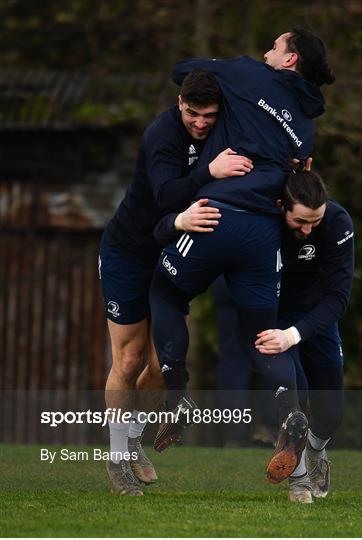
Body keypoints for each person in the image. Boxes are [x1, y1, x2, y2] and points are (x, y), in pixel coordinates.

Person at [149, 28, 335, 484]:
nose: (266, 50)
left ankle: (177, 393)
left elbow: (183, 72)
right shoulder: (307, 127)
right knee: (261, 335)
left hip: (216, 214)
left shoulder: (247, 75)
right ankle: (289, 410)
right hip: (263, 234)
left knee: (165, 293)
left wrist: (225, 85)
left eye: (274, 45)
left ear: (289, 59)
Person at [99, 70, 253, 495]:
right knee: (129, 361)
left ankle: (132, 442)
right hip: (129, 252)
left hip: (170, 254)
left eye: (209, 115)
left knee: (166, 363)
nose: (201, 123)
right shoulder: (161, 136)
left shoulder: (226, 127)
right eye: (192, 114)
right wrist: (210, 170)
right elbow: (168, 196)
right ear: (180, 104)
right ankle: (116, 461)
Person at [255, 169, 355, 503]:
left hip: (317, 319)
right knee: (292, 406)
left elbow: (339, 298)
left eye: (316, 221)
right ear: (282, 206)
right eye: (300, 221)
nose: (308, 229)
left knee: (331, 414)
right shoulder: (263, 220)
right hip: (275, 318)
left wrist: (295, 335)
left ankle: (315, 453)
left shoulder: (339, 223)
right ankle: (298, 483)